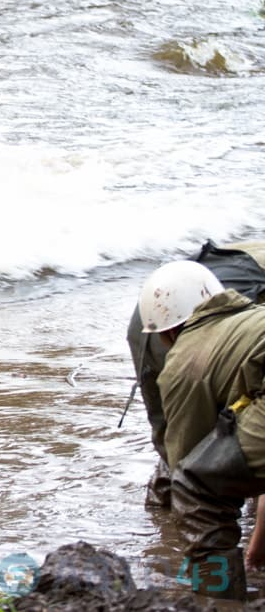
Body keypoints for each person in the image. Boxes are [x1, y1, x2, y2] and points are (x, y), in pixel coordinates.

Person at [138, 256, 265, 599]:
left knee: (196, 487)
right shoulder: (252, 318)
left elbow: (185, 465)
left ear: (166, 332)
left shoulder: (185, 360)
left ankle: (217, 598)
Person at [127, 241, 265, 509]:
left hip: (153, 318)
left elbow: (173, 432)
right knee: (202, 465)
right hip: (203, 304)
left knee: (193, 468)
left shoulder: (162, 325)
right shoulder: (240, 309)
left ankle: (164, 503)